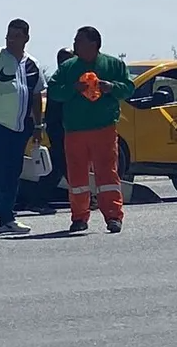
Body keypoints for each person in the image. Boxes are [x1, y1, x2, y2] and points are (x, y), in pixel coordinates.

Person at [47, 26, 134, 233]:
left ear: (93, 44)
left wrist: (111, 87)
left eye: (79, 41)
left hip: (104, 128)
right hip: (75, 130)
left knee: (107, 174)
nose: (75, 44)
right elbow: (54, 90)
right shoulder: (68, 67)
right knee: (77, 176)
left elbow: (129, 87)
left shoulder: (113, 65)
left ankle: (113, 216)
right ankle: (79, 217)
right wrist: (72, 89)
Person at [0, 19, 46, 235]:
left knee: (12, 172)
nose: (11, 39)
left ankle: (7, 218)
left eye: (17, 35)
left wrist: (38, 125)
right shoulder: (1, 58)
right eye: (9, 34)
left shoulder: (32, 64)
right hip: (1, 125)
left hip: (21, 128)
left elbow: (36, 95)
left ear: (26, 38)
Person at [22, 48, 76, 215]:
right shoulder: (59, 81)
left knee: (56, 167)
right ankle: (84, 197)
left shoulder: (67, 79)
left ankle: (38, 201)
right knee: (65, 165)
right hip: (58, 129)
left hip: (65, 129)